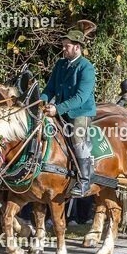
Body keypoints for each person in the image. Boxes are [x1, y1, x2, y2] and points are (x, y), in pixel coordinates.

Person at [40, 24, 97, 197]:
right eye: (63, 45)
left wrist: (57, 108)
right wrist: (40, 102)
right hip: (60, 110)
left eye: (67, 46)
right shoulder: (60, 64)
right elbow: (50, 88)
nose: (64, 49)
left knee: (77, 137)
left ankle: (84, 180)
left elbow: (80, 97)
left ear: (77, 47)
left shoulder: (86, 68)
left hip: (80, 112)